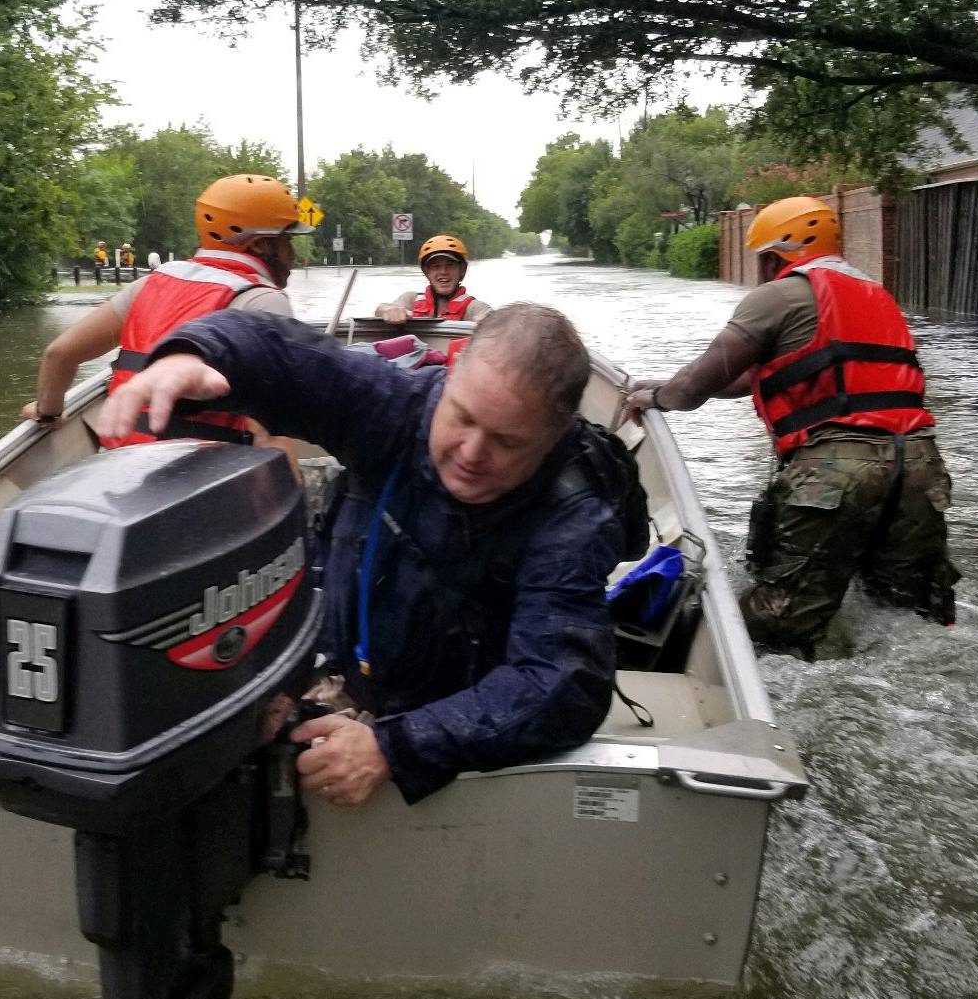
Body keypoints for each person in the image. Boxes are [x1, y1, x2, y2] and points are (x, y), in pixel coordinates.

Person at [99, 303, 643, 807]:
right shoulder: (397, 406)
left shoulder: (573, 517)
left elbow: (561, 684)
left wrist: (396, 747)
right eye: (462, 417)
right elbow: (279, 351)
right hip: (347, 664)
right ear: (451, 376)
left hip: (453, 721)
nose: (471, 452)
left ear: (553, 437)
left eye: (506, 442)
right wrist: (193, 355)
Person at [625, 196, 956, 657]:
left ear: (780, 252)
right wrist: (671, 384)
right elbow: (759, 376)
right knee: (905, 613)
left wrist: (657, 397)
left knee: (774, 623)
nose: (761, 267)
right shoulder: (875, 296)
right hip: (919, 465)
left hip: (837, 470)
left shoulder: (776, 296)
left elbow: (696, 386)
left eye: (764, 257)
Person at [22, 175, 315, 444]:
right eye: (287, 240)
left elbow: (59, 355)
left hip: (121, 472)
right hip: (210, 480)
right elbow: (273, 431)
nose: (292, 254)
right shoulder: (263, 301)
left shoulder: (149, 283)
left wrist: (48, 413)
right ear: (262, 244)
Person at [377, 235, 493, 323]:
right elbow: (382, 308)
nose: (443, 272)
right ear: (427, 272)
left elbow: (492, 318)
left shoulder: (474, 307)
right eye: (436, 266)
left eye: (450, 265)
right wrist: (388, 311)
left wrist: (488, 323)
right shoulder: (411, 299)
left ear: (462, 270)